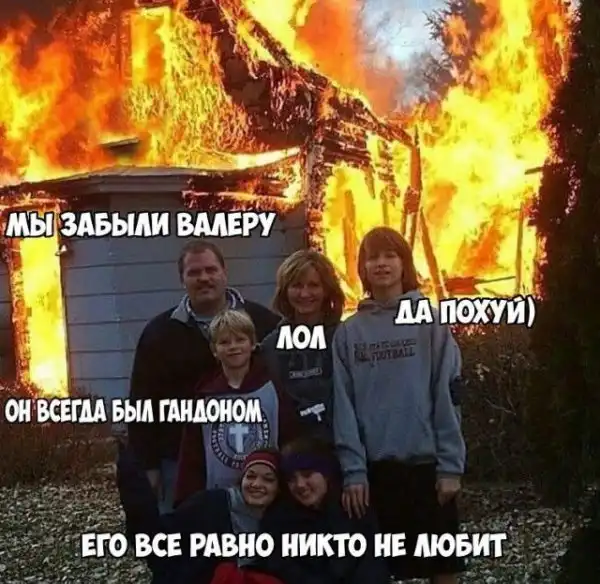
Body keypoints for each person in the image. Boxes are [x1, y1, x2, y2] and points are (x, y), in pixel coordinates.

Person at [332, 226, 466, 584]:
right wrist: (354, 471)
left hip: (427, 467)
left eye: (390, 255)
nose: (381, 264)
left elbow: (447, 395)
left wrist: (451, 466)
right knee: (387, 571)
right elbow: (344, 407)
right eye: (373, 257)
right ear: (362, 268)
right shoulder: (349, 333)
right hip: (377, 472)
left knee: (443, 568)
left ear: (404, 263)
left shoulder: (430, 322)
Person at [128, 240, 281, 513]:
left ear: (224, 272)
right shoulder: (160, 334)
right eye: (194, 272)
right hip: (179, 459)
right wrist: (148, 465)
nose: (204, 278)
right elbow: (142, 401)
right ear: (182, 280)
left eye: (211, 270)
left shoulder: (264, 322)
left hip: (255, 457)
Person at [174, 309, 301, 505]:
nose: (233, 347)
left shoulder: (272, 389)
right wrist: (185, 502)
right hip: (220, 498)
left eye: (240, 340)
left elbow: (289, 439)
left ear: (253, 343)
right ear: (214, 350)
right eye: (224, 342)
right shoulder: (205, 397)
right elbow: (192, 455)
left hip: (270, 497)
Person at [117, 442, 285, 584]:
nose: (256, 484)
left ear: (279, 487)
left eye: (268, 479)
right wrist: (134, 486)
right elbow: (158, 539)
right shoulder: (210, 505)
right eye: (251, 476)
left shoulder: (282, 521)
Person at [258, 436, 390, 584]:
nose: (300, 484)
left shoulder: (354, 509)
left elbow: (372, 564)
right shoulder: (278, 520)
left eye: (307, 474)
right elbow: (281, 569)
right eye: (291, 479)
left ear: (326, 475)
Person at [261, 250, 345, 443]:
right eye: (297, 285)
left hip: (339, 445)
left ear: (327, 290)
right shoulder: (270, 347)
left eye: (314, 285)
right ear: (285, 291)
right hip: (290, 447)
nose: (305, 294)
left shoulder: (345, 337)